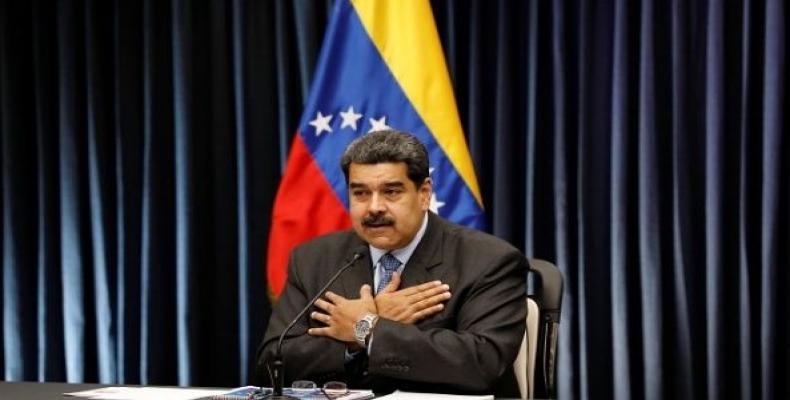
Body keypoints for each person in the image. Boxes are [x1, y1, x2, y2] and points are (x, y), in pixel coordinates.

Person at [255, 130, 527, 396]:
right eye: (360, 193)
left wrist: (368, 328)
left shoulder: (488, 261)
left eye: (391, 192)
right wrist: (358, 341)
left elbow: (482, 362)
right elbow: (272, 364)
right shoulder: (314, 259)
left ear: (424, 194)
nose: (374, 208)